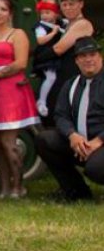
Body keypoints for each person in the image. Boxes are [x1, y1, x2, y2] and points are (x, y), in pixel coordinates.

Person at [0, 0, 40, 199]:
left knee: (9, 142)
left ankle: (19, 186)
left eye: (3, 9)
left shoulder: (17, 34)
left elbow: (21, 63)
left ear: (10, 13)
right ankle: (4, 188)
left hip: (10, 91)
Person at [34, 36, 104, 202]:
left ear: (100, 57)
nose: (88, 60)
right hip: (80, 142)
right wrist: (72, 135)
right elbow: (61, 115)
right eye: (83, 56)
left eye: (92, 54)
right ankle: (76, 191)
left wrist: (99, 140)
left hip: (100, 143)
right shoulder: (71, 84)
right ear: (77, 61)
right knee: (44, 140)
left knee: (95, 168)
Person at [46, 0, 95, 114]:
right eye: (64, 4)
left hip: (74, 73)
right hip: (63, 73)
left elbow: (59, 49)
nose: (68, 8)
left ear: (81, 4)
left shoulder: (82, 24)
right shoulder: (67, 24)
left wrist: (37, 56)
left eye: (71, 4)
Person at [32, 0, 63, 117]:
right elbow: (40, 41)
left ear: (55, 14)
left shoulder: (59, 23)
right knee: (50, 78)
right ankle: (41, 101)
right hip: (46, 57)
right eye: (42, 13)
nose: (44, 16)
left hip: (56, 58)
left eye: (47, 12)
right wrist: (53, 33)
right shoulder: (41, 27)